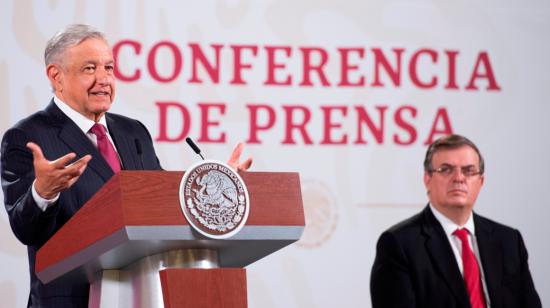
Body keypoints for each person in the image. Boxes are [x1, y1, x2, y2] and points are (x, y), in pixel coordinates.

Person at [0, 24, 252, 307]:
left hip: (143, 296)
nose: (104, 79)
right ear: (56, 76)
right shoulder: (28, 136)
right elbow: (25, 229)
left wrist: (218, 187)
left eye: (109, 68)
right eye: (89, 69)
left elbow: (161, 203)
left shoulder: (133, 132)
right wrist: (42, 193)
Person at [370, 134, 541, 308]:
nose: (459, 178)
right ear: (427, 180)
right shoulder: (399, 244)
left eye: (468, 170)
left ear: (481, 181)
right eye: (446, 169)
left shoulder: (509, 240)